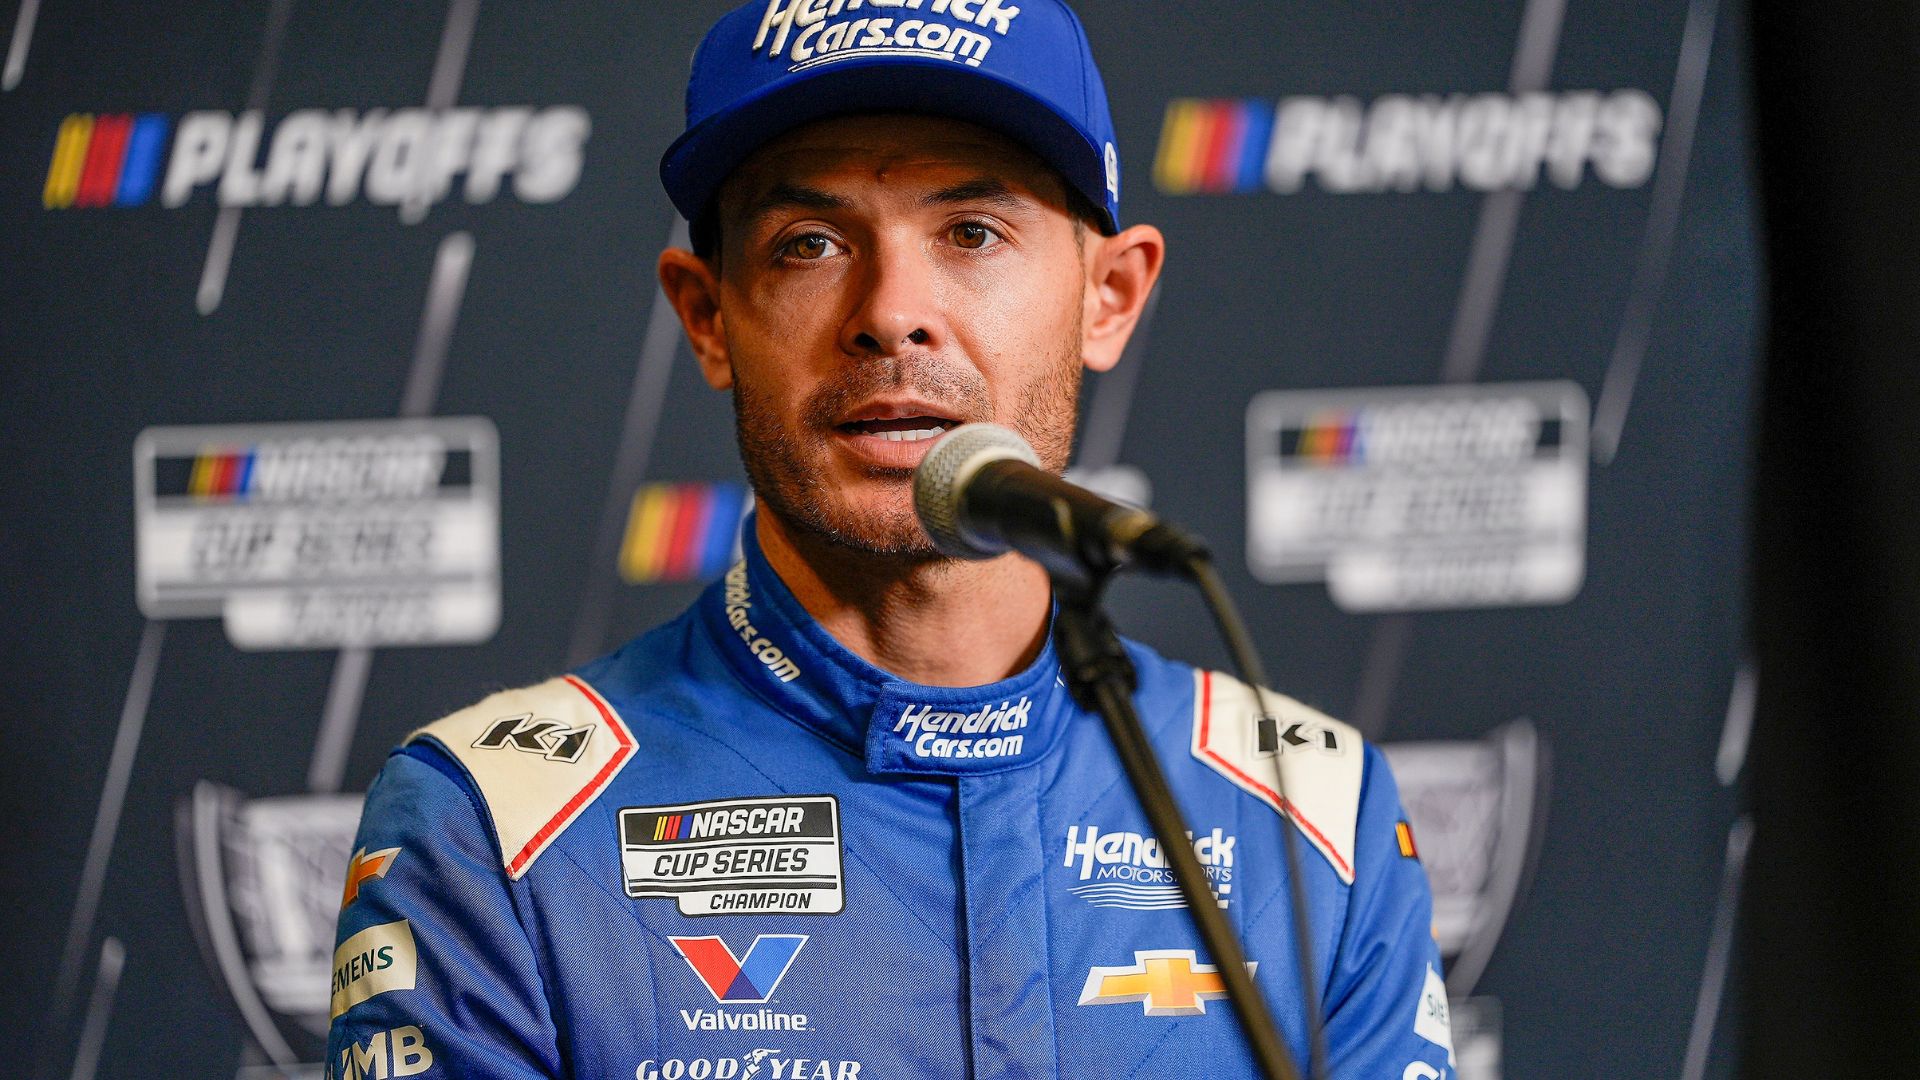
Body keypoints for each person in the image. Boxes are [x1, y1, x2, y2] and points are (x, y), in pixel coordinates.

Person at [326, 2, 1452, 1077]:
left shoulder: (1315, 814)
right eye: (810, 242)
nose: (891, 310)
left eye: (972, 231)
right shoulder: (491, 823)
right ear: (707, 316)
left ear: (1109, 296)